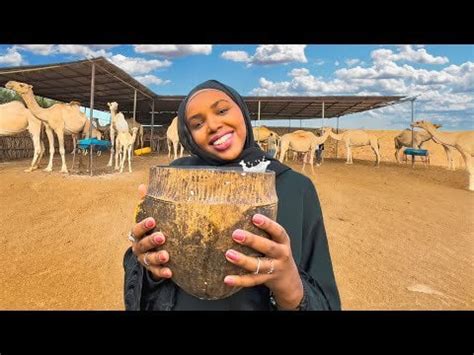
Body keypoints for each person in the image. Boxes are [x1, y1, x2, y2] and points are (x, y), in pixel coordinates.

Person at [123, 80, 340, 310]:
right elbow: (147, 273)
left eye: (222, 110)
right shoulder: (173, 182)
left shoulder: (295, 188)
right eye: (197, 124)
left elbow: (325, 297)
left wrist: (292, 288)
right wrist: (149, 266)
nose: (213, 125)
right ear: (188, 137)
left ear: (243, 112)